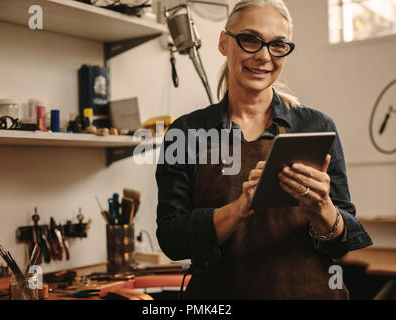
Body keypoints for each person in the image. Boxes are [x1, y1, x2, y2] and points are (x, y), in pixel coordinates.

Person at [155, 0, 372, 299]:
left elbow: (342, 242)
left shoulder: (316, 126)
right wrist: (238, 209)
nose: (263, 56)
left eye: (277, 45)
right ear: (223, 43)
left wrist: (323, 210)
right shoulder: (186, 133)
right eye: (250, 40)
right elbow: (172, 238)